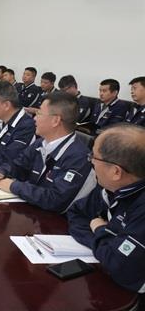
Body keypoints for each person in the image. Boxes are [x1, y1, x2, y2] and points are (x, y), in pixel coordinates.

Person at [0, 92, 96, 213]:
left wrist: (14, 186)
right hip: (32, 211)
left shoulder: (79, 157)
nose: (34, 118)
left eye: (39, 113)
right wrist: (1, 172)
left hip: (56, 220)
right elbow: (18, 164)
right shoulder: (41, 143)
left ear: (55, 120)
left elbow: (55, 200)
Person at [67, 124, 145, 293]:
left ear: (116, 172)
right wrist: (105, 244)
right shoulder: (109, 186)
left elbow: (121, 267)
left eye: (93, 157)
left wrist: (100, 229)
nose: (90, 162)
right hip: (102, 274)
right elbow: (76, 212)